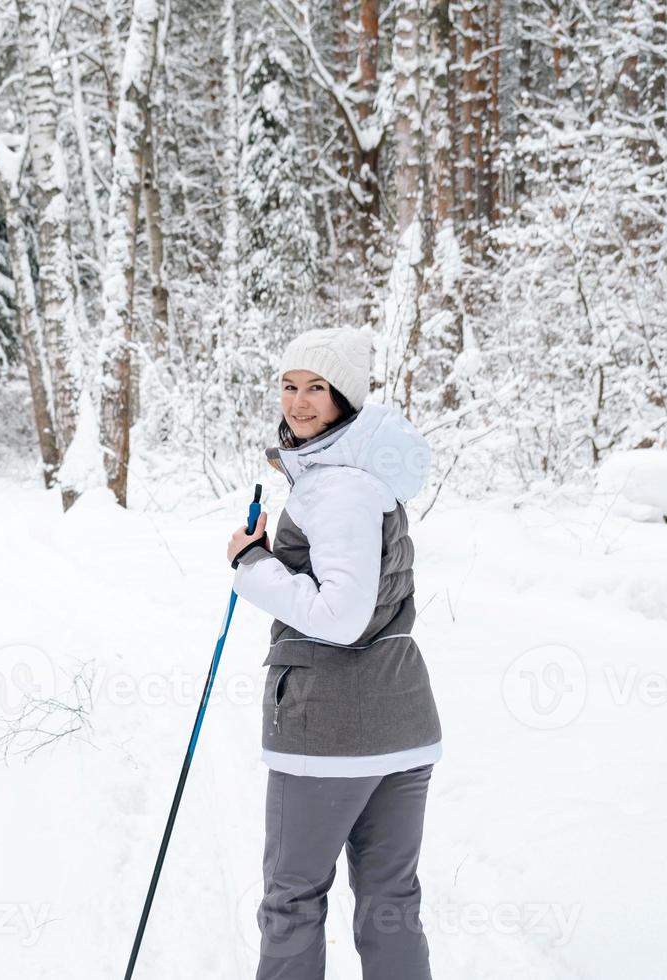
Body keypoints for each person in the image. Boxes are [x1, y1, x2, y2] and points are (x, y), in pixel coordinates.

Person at [224, 326, 443, 980]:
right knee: (390, 903)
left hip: (329, 732)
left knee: (293, 899)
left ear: (346, 398)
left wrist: (250, 564)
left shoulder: (339, 487)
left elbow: (341, 618)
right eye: (289, 386)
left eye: (316, 388)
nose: (297, 402)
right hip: (400, 729)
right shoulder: (365, 481)